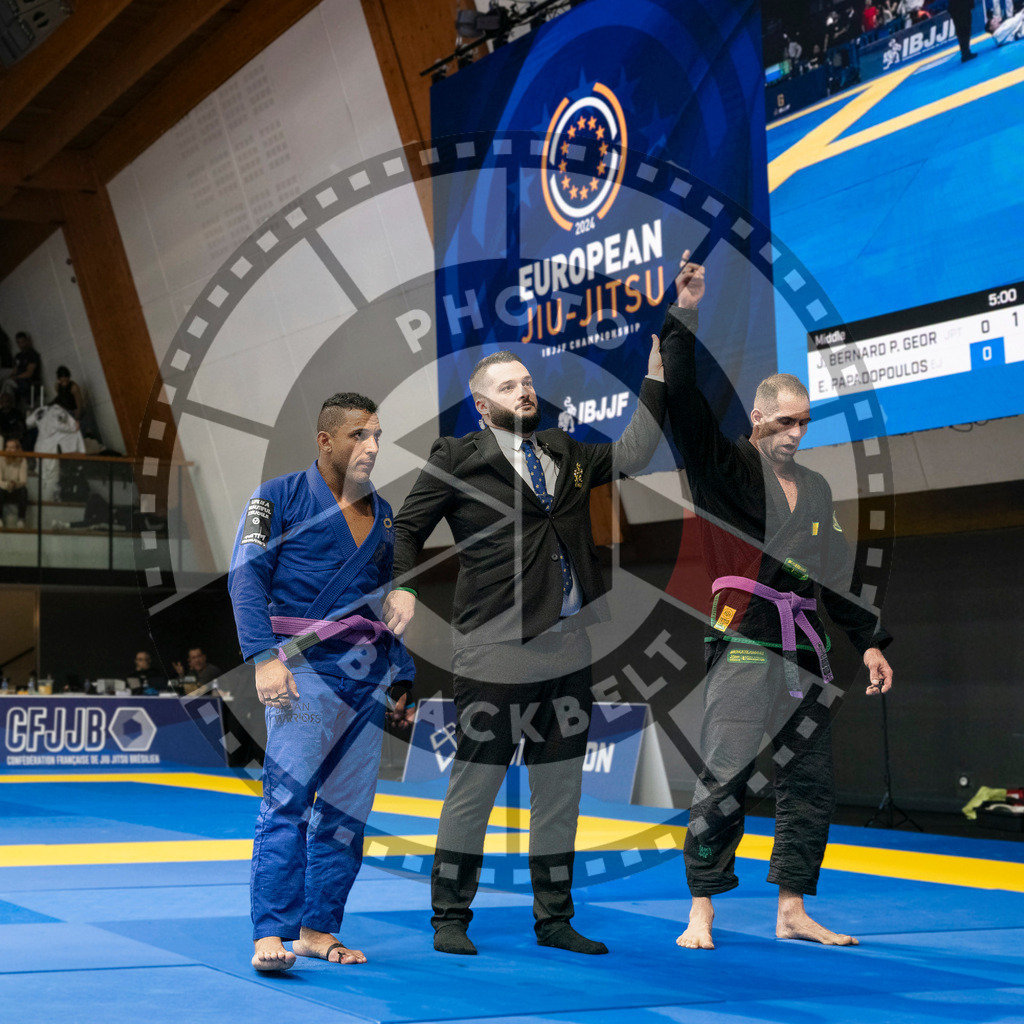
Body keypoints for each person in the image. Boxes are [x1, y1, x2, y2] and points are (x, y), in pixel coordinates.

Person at [383, 335, 669, 956]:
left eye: (527, 381)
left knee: (560, 788)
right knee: (476, 786)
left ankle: (555, 920)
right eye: (508, 385)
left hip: (568, 646)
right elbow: (406, 529)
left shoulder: (563, 451)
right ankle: (450, 918)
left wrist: (654, 379)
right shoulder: (458, 456)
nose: (525, 390)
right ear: (482, 406)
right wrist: (403, 588)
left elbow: (635, 451)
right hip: (493, 647)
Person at [657, 254, 894, 951]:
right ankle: (700, 908)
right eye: (784, 422)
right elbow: (685, 402)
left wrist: (872, 639)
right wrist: (686, 316)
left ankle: (792, 907)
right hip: (744, 640)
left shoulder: (816, 490)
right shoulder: (725, 468)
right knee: (727, 774)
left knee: (810, 782)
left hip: (806, 648)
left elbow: (836, 577)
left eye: (805, 424)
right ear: (759, 416)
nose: (795, 434)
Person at [228, 392, 415, 972]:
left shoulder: (383, 514)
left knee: (346, 812)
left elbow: (383, 606)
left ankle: (317, 928)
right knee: (288, 801)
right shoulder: (276, 498)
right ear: (326, 441)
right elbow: (246, 578)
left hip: (364, 675)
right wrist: (263, 657)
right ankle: (270, 932)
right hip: (300, 668)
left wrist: (403, 673)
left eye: (378, 436)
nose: (373, 447)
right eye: (361, 435)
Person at [1, 332, 41, 405]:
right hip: (18, 379)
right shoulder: (18, 356)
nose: (21, 345)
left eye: (23, 342)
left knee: (7, 383)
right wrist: (12, 376)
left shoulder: (32, 354)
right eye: (19, 343)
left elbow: (29, 373)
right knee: (5, 380)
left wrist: (15, 377)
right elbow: (15, 370)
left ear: (27, 341)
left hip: (26, 381)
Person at [0, 438, 28, 528]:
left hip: (16, 488)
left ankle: (21, 519)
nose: (9, 450)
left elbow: (23, 481)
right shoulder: (1, 459)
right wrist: (7, 485)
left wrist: (15, 484)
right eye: (7, 447)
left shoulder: (22, 460)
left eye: (12, 448)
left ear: (17, 449)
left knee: (24, 491)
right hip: (4, 487)